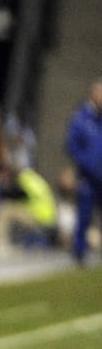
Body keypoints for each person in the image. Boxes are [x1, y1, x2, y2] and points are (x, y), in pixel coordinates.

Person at [65, 77, 102, 263]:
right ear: (94, 94)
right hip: (88, 178)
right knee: (84, 216)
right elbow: (72, 146)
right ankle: (79, 253)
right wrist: (87, 165)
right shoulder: (81, 118)